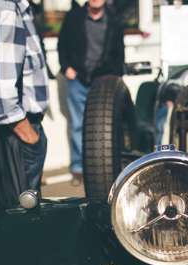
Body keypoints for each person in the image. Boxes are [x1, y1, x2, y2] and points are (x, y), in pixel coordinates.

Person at [0, 0, 50, 190]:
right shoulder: (4, 9)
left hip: (19, 130)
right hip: (18, 132)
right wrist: (29, 135)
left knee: (20, 209)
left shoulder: (10, 8)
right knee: (22, 214)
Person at [58, 0, 125, 185]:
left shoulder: (114, 19)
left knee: (106, 125)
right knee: (78, 124)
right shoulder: (74, 17)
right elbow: (62, 44)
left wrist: (116, 78)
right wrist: (66, 68)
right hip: (78, 79)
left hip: (103, 81)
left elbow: (120, 52)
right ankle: (79, 170)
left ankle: (106, 168)